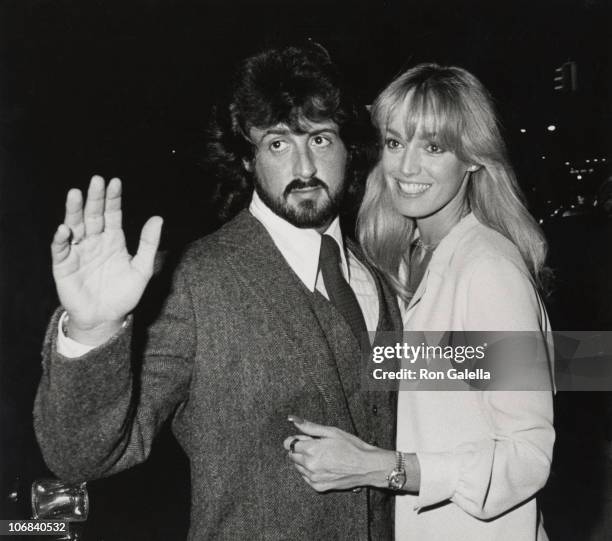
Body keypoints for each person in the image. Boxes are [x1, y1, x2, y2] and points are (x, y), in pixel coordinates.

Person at [33, 44, 402, 540]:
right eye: (277, 144)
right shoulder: (196, 280)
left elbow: (498, 376)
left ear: (348, 149)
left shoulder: (378, 274)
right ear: (247, 160)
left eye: (320, 139)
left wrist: (492, 258)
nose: (305, 168)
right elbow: (82, 454)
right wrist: (92, 331)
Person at [284, 64, 555, 540]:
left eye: (433, 147)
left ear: (472, 158)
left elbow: (528, 456)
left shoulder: (487, 271)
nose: (406, 168)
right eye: (394, 142)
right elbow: (437, 393)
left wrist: (381, 469)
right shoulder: (409, 260)